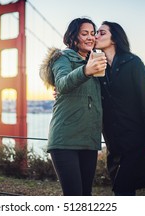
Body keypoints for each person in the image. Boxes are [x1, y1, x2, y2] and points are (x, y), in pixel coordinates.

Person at [94, 21, 145, 196]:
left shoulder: (134, 63)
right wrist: (59, 89)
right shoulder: (97, 67)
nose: (96, 36)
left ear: (115, 38)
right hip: (113, 143)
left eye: (101, 33)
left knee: (122, 189)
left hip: (136, 139)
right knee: (123, 190)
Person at [39, 17, 107, 196]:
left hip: (89, 141)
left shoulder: (96, 62)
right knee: (74, 197)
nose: (90, 37)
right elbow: (61, 83)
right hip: (65, 140)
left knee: (86, 196)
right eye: (84, 33)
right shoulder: (62, 58)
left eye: (93, 33)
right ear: (73, 37)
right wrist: (85, 71)